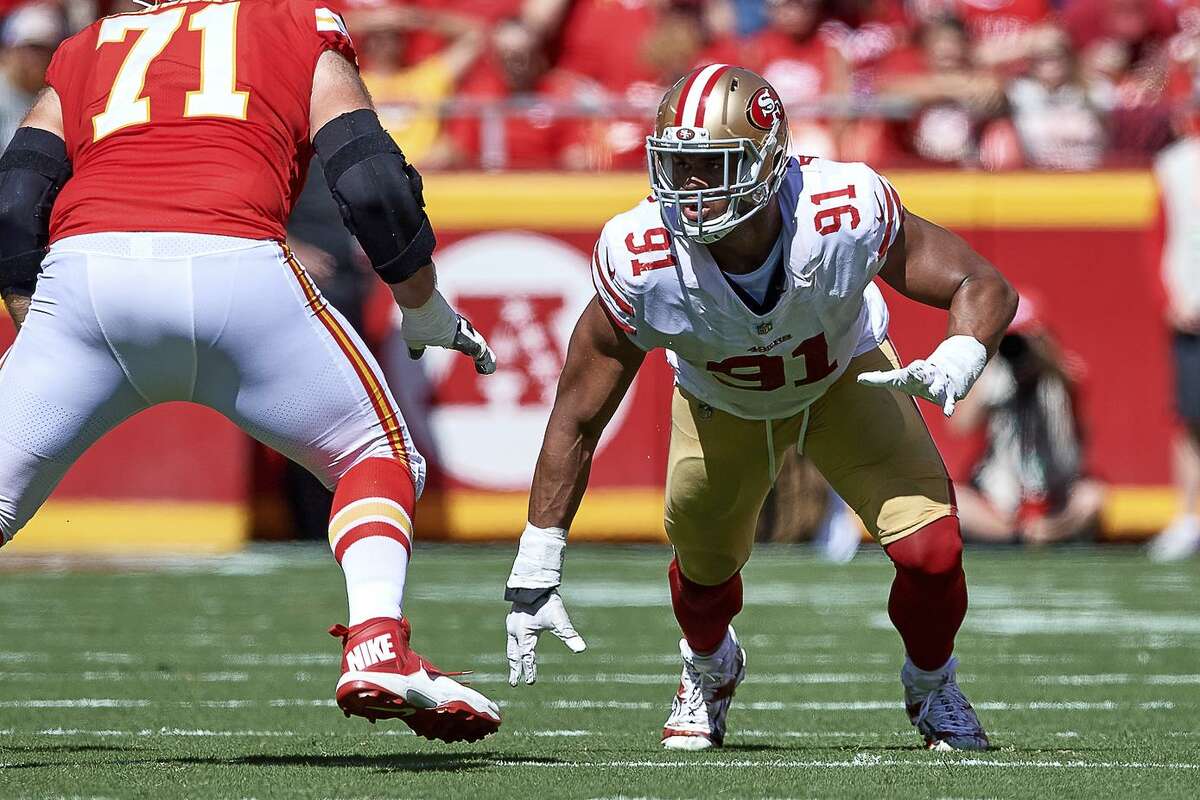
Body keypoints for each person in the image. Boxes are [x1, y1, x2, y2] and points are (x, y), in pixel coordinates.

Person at [0, 0, 500, 742]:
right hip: (236, 265)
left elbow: (15, 200)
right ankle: (376, 640)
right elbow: (370, 180)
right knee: (377, 455)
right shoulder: (295, 23)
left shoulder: (89, 45)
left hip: (87, 277)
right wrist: (421, 304)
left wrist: (34, 316)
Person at [503, 64, 1017, 752]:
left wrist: (961, 353)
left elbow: (980, 282)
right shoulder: (642, 254)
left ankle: (933, 685)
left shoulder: (841, 209)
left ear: (769, 161)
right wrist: (539, 551)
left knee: (932, 550)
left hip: (844, 377)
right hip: (722, 401)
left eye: (709, 168)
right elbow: (578, 414)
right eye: (676, 166)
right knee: (705, 573)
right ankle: (710, 668)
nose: (688, 191)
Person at [950, 295, 1106, 545]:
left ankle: (1047, 532)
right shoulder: (993, 376)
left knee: (1092, 498)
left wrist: (1046, 359)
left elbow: (1079, 410)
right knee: (953, 500)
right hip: (999, 498)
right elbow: (959, 426)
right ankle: (1017, 535)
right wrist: (988, 375)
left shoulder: (1062, 375)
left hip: (1055, 495)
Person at [0, 3, 63, 146]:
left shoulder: (58, 100)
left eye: (44, 49)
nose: (36, 58)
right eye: (30, 48)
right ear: (11, 50)